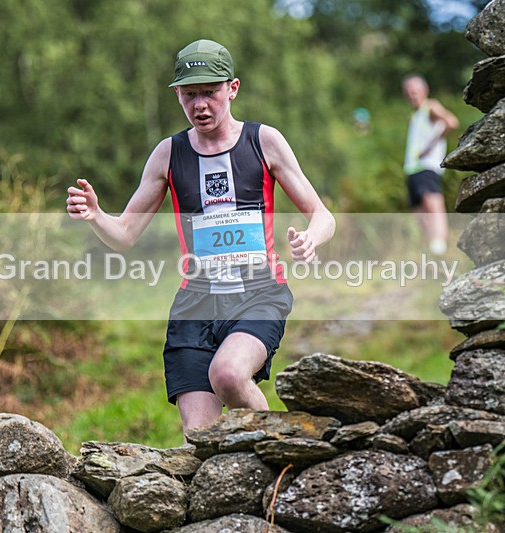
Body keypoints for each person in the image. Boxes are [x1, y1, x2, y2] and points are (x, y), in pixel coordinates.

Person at [66, 39, 335, 435]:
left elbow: (322, 214)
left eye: (210, 92)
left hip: (259, 292)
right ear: (177, 95)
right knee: (200, 438)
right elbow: (124, 234)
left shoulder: (263, 142)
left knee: (227, 375)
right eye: (190, 95)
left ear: (233, 88)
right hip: (196, 303)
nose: (201, 105)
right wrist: (95, 215)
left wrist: (311, 237)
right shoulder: (167, 154)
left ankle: (282, 456)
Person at [401, 74, 458, 256]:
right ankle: (432, 249)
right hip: (412, 169)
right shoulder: (414, 116)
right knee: (418, 211)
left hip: (427, 166)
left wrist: (430, 146)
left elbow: (451, 122)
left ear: (424, 91)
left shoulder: (431, 107)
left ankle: (440, 245)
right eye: (409, 92)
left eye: (415, 90)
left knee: (432, 204)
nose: (412, 94)